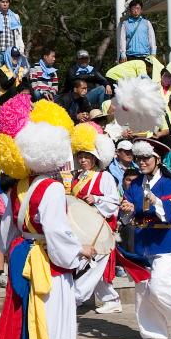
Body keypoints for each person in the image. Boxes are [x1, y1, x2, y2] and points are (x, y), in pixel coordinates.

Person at [0, 95, 93, 339]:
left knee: (32, 321)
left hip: (24, 257)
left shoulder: (19, 186)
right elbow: (58, 234)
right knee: (56, 332)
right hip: (48, 262)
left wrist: (11, 255)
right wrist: (80, 253)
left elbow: (7, 231)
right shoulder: (50, 188)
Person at [121, 138, 171, 339]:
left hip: (165, 244)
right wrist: (126, 209)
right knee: (143, 293)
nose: (141, 162)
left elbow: (169, 213)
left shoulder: (168, 183)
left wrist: (154, 200)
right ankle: (156, 335)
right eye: (138, 158)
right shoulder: (133, 184)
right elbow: (128, 215)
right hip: (141, 244)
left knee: (161, 289)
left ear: (157, 159)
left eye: (146, 158)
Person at [70, 124, 122, 314]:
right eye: (80, 156)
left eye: (87, 156)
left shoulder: (104, 177)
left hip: (98, 229)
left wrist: (96, 199)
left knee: (91, 265)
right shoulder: (75, 177)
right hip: (80, 227)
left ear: (95, 158)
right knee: (91, 265)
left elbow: (114, 203)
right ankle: (111, 298)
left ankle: (74, 298)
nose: (83, 160)